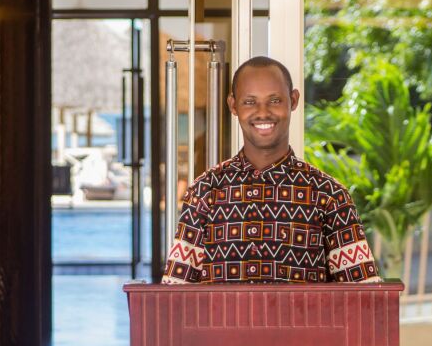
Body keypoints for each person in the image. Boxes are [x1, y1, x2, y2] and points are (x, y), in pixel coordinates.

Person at [161, 56, 381, 284]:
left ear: (293, 100)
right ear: (233, 105)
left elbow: (364, 295)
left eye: (274, 100)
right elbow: (175, 293)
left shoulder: (329, 196)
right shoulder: (205, 192)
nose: (263, 112)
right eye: (250, 102)